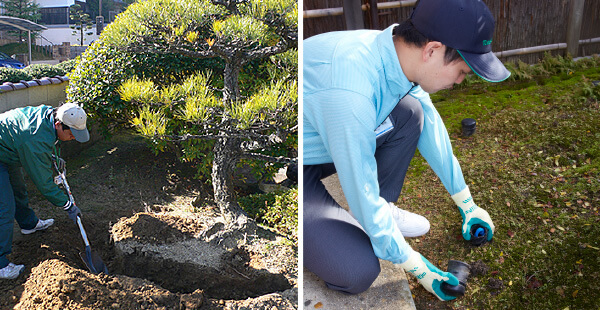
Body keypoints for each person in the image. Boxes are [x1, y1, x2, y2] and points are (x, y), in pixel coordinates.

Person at [303, 0, 509, 301]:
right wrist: (421, 269)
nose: (460, 81)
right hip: (292, 163)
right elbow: (361, 193)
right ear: (432, 50)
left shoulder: (398, 56)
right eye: (462, 72)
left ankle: (382, 211)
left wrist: (468, 205)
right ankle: (365, 222)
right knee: (357, 271)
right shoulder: (351, 92)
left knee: (410, 112)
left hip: (326, 135)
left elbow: (430, 128)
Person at [0, 102, 88, 279]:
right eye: (71, 133)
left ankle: (29, 224)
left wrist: (52, 157)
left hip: (8, 149)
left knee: (19, 190)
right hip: (4, 149)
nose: (73, 137)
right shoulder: (34, 138)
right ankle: (1, 265)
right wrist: (67, 205)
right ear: (58, 124)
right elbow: (44, 184)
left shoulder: (51, 116)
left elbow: (44, 142)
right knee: (4, 207)